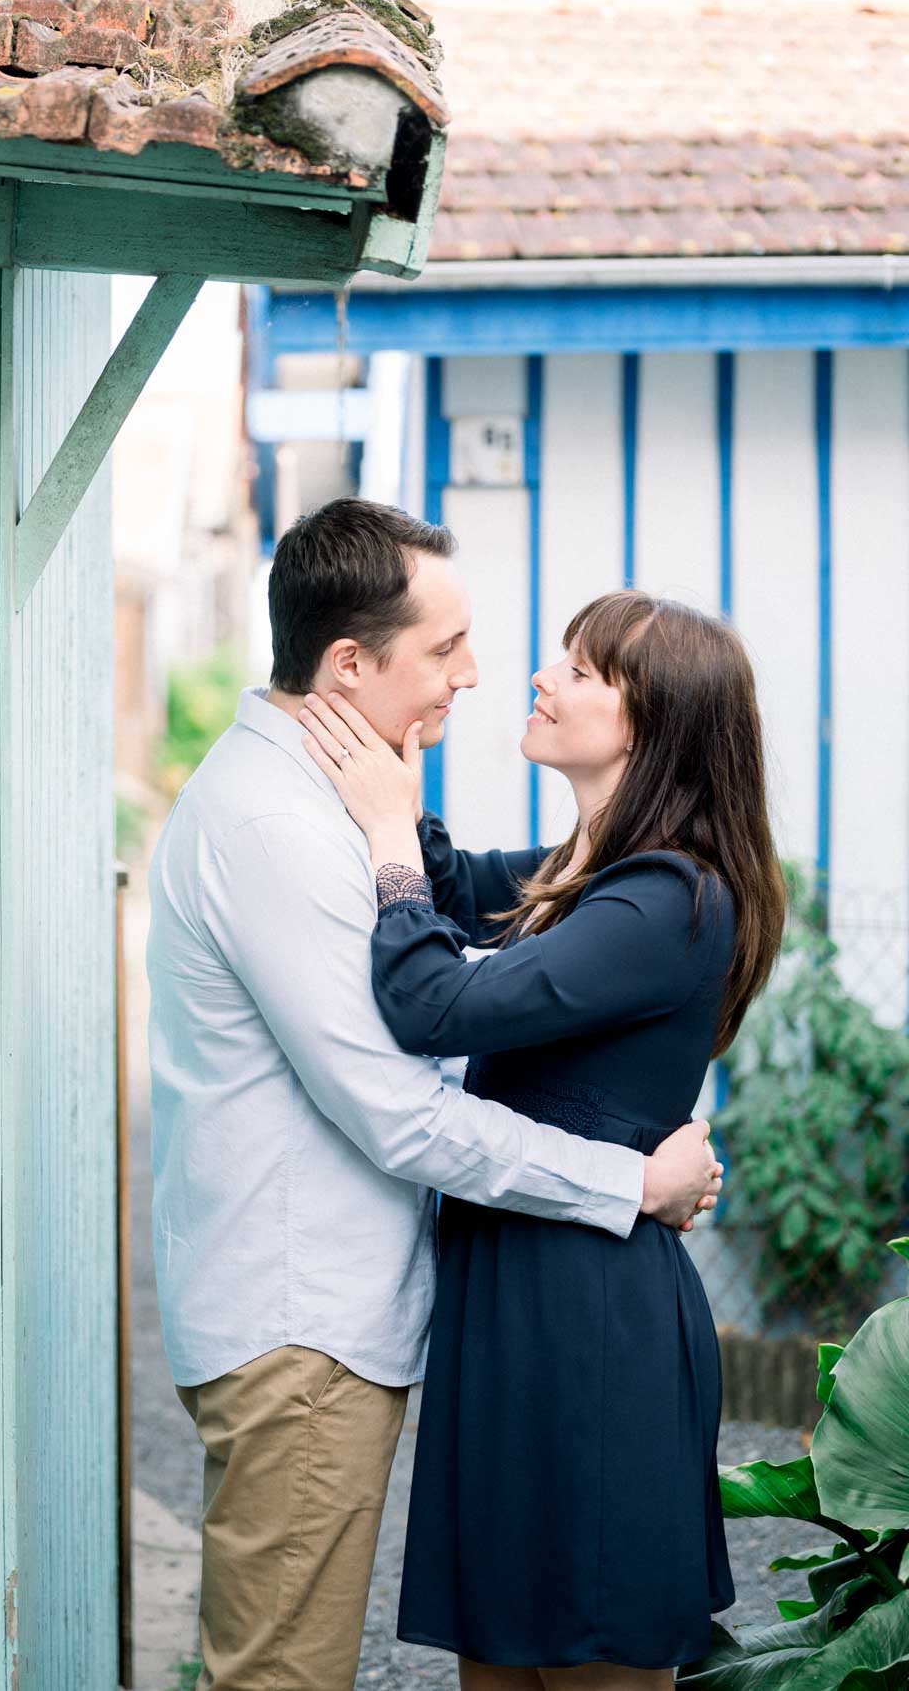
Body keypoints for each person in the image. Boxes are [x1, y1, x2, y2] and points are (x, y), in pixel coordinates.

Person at [147, 500, 725, 1691]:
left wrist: (388, 820)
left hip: (541, 1308)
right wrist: (640, 1180)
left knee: (562, 1640)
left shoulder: (648, 888)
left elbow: (447, 926)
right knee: (289, 1675)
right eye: (445, 649)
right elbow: (406, 1092)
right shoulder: (280, 823)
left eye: (574, 666)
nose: (482, 674)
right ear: (350, 664)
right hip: (318, 1321)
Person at [299, 585, 785, 1690]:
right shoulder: (590, 873)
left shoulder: (667, 900)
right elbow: (454, 888)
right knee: (501, 1658)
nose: (539, 676)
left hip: (588, 1321)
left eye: (580, 667)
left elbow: (431, 1002)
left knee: (589, 1647)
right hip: (514, 1297)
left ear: (650, 723)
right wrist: (394, 763)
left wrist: (383, 831)